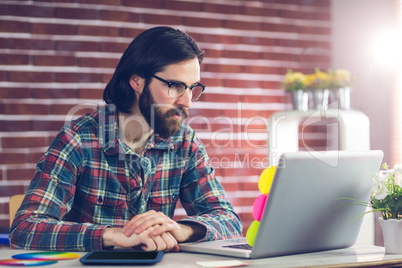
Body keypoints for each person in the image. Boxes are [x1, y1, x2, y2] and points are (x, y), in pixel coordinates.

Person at [9, 26, 242, 252]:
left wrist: (182, 230)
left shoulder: (185, 142)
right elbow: (25, 228)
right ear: (137, 81)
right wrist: (116, 236)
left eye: (193, 88)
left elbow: (229, 221)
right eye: (175, 86)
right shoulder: (79, 138)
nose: (187, 101)